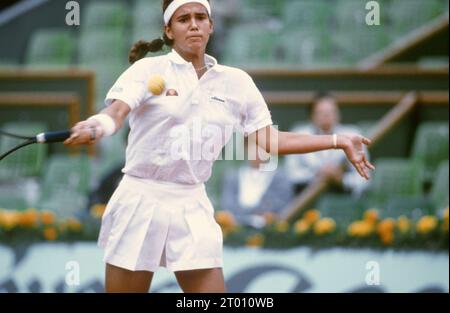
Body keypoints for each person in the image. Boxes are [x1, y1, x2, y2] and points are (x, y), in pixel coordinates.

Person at [64, 0, 374, 293]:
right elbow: (116, 113)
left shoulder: (236, 82)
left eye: (201, 18)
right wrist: (97, 125)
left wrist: (337, 140)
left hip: (191, 201)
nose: (194, 25)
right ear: (169, 30)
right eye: (184, 19)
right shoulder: (147, 71)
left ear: (211, 26)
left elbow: (270, 140)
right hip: (140, 197)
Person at [285, 93, 371, 197]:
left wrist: (341, 179)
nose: (327, 116)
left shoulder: (352, 135)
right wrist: (317, 174)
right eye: (321, 112)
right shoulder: (298, 133)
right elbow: (290, 174)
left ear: (338, 114)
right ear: (311, 115)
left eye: (331, 112)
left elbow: (365, 179)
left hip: (344, 198)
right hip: (305, 197)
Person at [221, 138, 294, 228]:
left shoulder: (280, 177)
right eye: (252, 146)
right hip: (235, 230)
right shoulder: (233, 177)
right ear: (245, 148)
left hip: (268, 230)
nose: (257, 151)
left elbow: (281, 206)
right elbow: (227, 205)